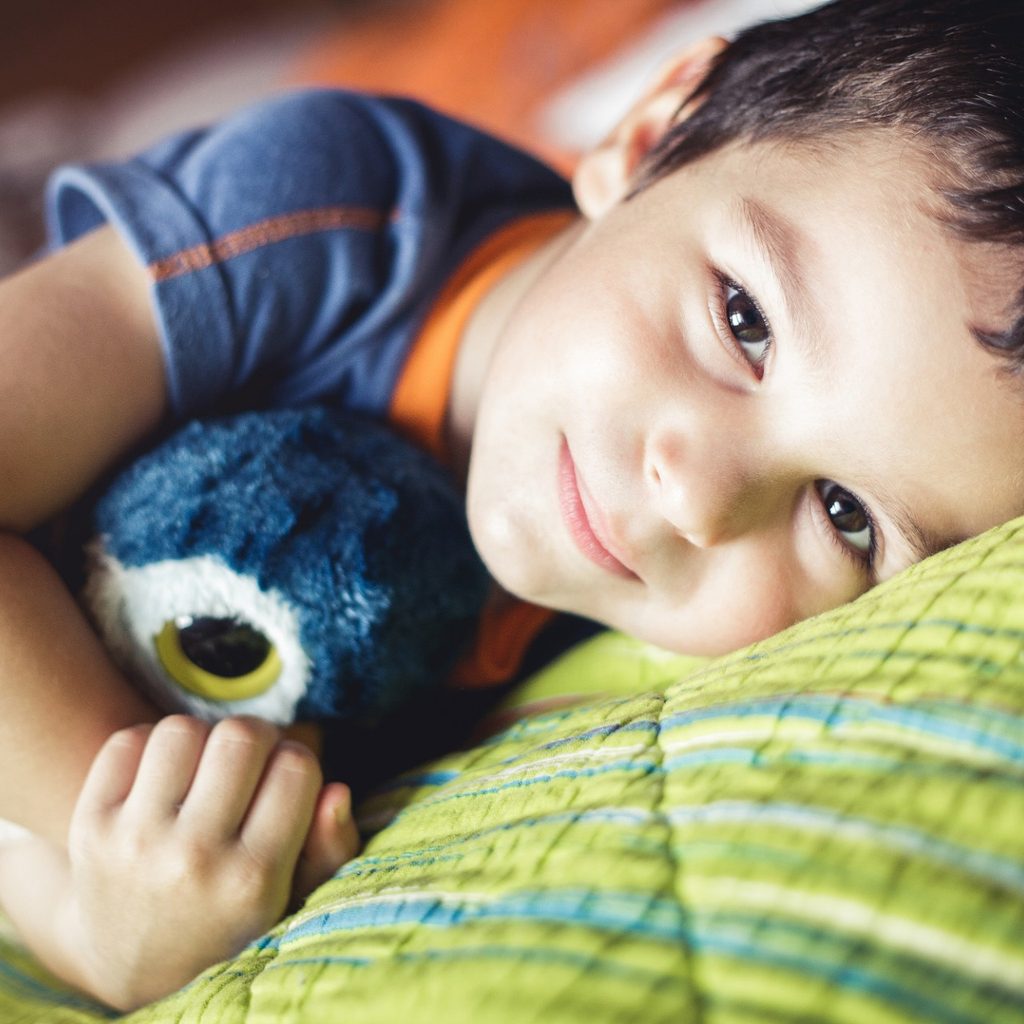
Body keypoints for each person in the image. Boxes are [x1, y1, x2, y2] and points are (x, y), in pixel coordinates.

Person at [3, 0, 1024, 1010]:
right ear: (647, 133)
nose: (699, 495)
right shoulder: (330, 215)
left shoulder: (621, 664)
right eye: (743, 319)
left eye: (845, 515)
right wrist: (121, 851)